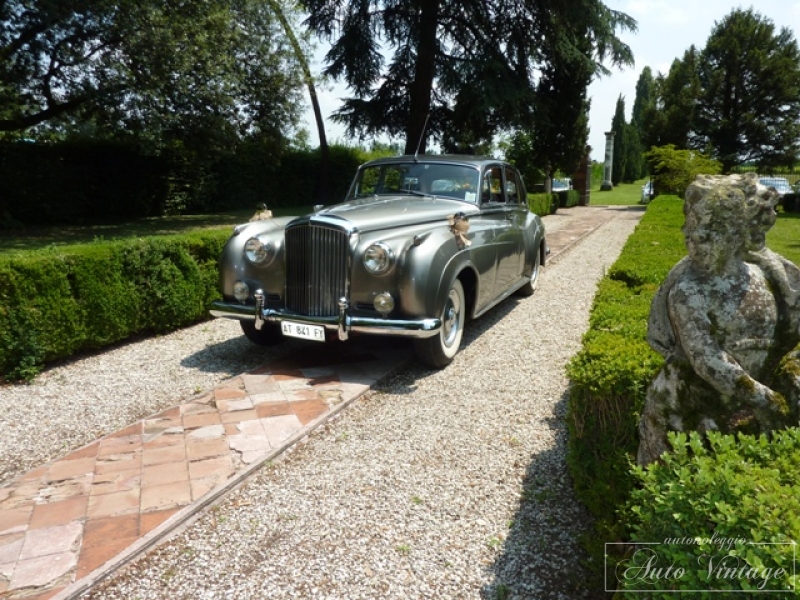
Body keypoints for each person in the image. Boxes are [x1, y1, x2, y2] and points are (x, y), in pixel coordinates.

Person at [638, 174, 800, 466]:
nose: (697, 236)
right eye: (692, 227)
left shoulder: (764, 279)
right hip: (686, 410)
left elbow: (784, 341)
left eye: (714, 227)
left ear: (739, 233)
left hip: (743, 410)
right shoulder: (688, 289)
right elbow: (707, 359)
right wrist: (765, 399)